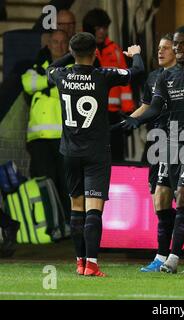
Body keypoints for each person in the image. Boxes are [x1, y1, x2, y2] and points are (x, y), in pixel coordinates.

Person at [121, 25, 184, 273]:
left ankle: (172, 258)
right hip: (171, 144)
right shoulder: (165, 77)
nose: (177, 48)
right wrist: (136, 120)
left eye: (182, 44)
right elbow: (155, 108)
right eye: (174, 44)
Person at [47, 32, 144, 277]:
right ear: (96, 53)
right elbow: (137, 73)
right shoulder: (103, 75)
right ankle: (91, 264)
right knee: (94, 210)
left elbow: (51, 67)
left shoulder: (61, 75)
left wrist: (71, 53)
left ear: (72, 51)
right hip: (96, 152)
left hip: (69, 152)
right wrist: (136, 55)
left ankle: (80, 263)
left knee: (76, 207)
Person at [22, 30, 73, 223]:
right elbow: (27, 83)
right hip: (39, 138)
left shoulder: (73, 68)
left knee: (66, 184)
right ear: (48, 44)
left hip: (64, 136)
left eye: (62, 42)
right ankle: (51, 224)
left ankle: (70, 224)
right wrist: (52, 82)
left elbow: (68, 88)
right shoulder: (37, 66)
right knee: (46, 182)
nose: (59, 46)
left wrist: (44, 87)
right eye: (55, 42)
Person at [82, 8, 135, 162]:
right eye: (98, 28)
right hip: (90, 113)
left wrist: (129, 111)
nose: (102, 32)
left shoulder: (116, 51)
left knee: (116, 158)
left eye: (104, 28)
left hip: (113, 115)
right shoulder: (84, 51)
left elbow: (125, 82)